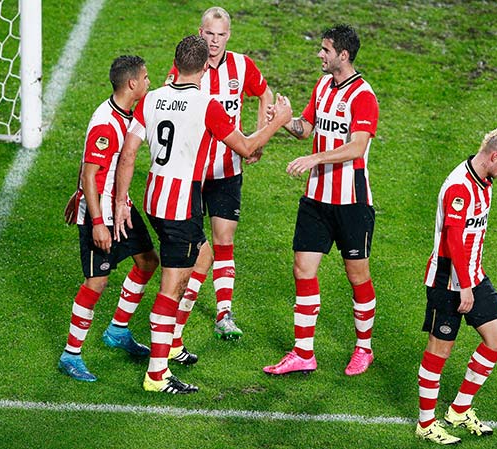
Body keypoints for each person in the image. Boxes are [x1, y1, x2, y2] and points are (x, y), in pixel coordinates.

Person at [114, 35, 292, 394]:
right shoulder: (208, 105)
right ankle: (156, 374)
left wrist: (120, 201)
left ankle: (173, 344)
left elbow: (129, 153)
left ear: (175, 64)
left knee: (206, 253)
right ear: (205, 67)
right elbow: (246, 146)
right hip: (179, 209)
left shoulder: (151, 98)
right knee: (171, 288)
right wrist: (279, 121)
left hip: (154, 200)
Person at [263, 24, 380, 377]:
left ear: (343, 56)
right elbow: (306, 128)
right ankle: (303, 353)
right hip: (316, 199)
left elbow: (358, 146)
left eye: (325, 50)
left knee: (357, 275)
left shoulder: (363, 96)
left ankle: (364, 349)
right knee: (303, 269)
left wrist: (315, 159)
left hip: (352, 204)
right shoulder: (323, 86)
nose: (320, 55)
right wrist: (284, 120)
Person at [164, 7, 274, 360]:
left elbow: (265, 93)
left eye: (220, 35)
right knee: (196, 248)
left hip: (227, 169)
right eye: (209, 34)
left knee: (223, 241)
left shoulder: (242, 67)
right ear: (201, 32)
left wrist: (257, 138)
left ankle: (224, 314)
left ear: (229, 35)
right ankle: (177, 310)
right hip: (193, 174)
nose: (214, 42)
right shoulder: (188, 67)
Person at [414, 127, 497, 445]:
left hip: (474, 276)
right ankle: (425, 424)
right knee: (439, 351)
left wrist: (471, 281)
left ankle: (458, 411)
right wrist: (463, 286)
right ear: (494, 155)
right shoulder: (459, 187)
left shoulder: (484, 182)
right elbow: (452, 239)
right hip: (448, 281)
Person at [58, 56, 159, 382]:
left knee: (147, 261)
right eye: (145, 78)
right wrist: (99, 223)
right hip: (99, 214)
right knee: (97, 282)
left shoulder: (127, 113)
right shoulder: (106, 124)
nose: (148, 82)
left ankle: (117, 329)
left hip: (121, 208)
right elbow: (90, 175)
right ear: (132, 84)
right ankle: (70, 355)